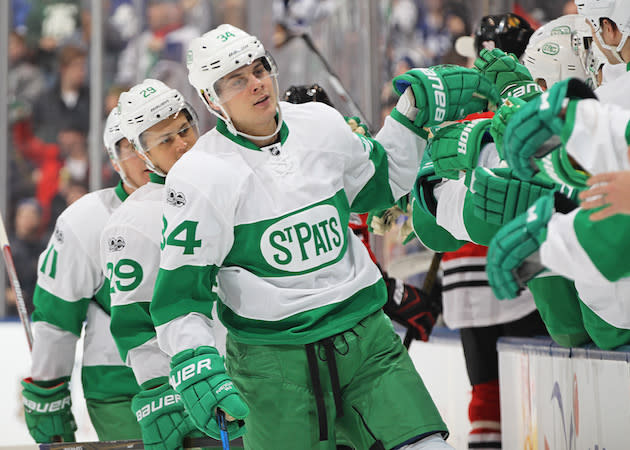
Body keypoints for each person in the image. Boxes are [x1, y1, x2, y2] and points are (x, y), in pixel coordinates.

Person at [149, 23, 502, 450]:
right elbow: (181, 295)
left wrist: (408, 115)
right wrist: (194, 359)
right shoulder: (198, 176)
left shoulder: (320, 124)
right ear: (210, 99)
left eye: (260, 69)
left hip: (365, 340)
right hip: (272, 365)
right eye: (236, 80)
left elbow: (380, 183)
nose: (257, 84)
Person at [20, 107, 150, 444]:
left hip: (210, 377)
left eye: (152, 138)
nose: (145, 154)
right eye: (131, 146)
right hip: (124, 388)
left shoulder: (209, 201)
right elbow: (56, 319)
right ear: (114, 157)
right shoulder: (88, 220)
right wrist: (48, 389)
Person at [101, 79, 216, 449]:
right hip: (200, 388)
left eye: (184, 130)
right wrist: (159, 388)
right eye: (165, 140)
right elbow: (135, 321)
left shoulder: (230, 179)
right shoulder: (131, 222)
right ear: (143, 153)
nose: (181, 144)